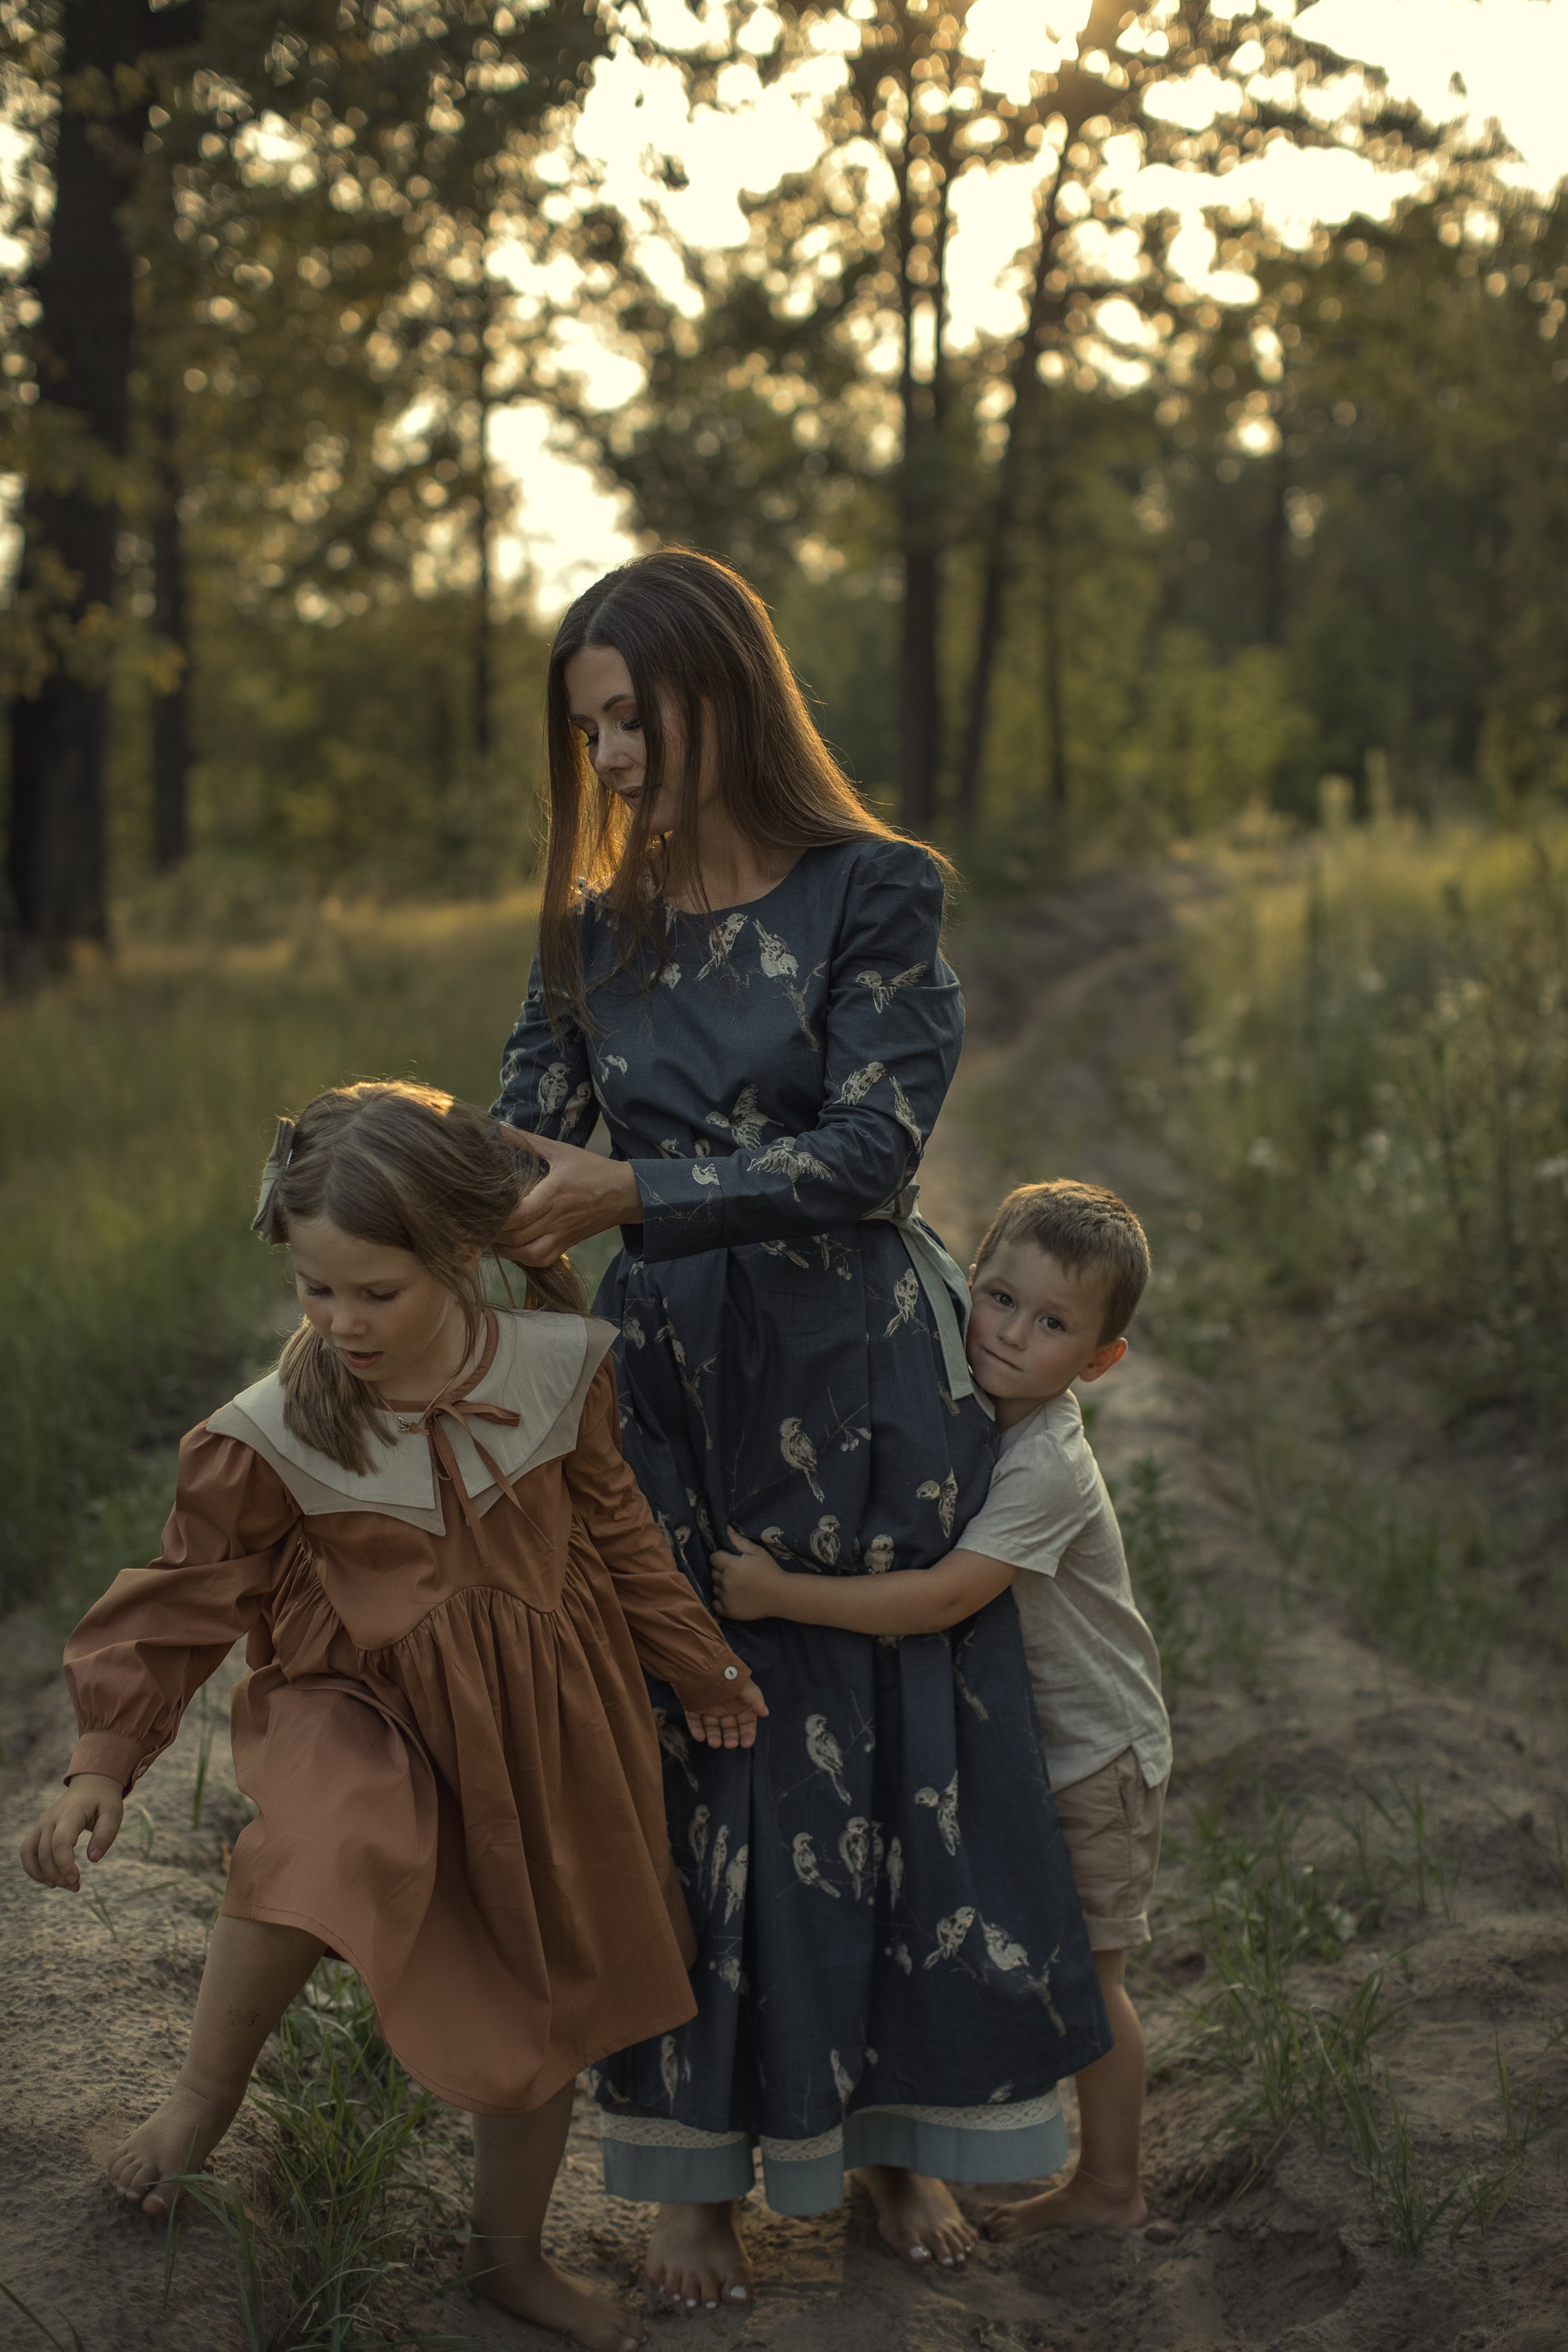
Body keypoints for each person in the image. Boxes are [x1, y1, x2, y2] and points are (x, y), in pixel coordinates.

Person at [491, 548, 1109, 2311]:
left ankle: (895, 2141)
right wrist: (386, 1181)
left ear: (727, 690)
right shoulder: (589, 929)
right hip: (671, 1384)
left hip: (856, 1379)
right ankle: (691, 2170)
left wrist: (633, 1188)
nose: (612, 757)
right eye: (588, 730)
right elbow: (523, 1138)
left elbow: (868, 1153)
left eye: (633, 715)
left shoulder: (875, 889)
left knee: (882, 1743)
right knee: (696, 1735)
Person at [20, 1081, 765, 2352]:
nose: (340, 1321)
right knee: (324, 1832)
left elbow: (620, 1529)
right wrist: (104, 1759)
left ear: (465, 1255)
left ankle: (508, 2262)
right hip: (358, 1698)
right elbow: (189, 1590)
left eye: (375, 1292)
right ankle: (202, 2098)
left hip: (535, 1718)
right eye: (315, 1289)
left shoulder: (555, 1365)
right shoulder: (277, 1432)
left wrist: (699, 1666)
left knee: (537, 1987)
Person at [713, 1178, 1171, 2238]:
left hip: (1095, 1756)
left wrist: (782, 1596)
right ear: (964, 1283)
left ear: (1100, 1361)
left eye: (1052, 1325)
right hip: (1026, 1748)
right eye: (1000, 1299)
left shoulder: (1047, 1462)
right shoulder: (963, 1409)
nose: (1009, 1334)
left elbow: (943, 1597)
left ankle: (1112, 2186)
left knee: (1089, 1973)